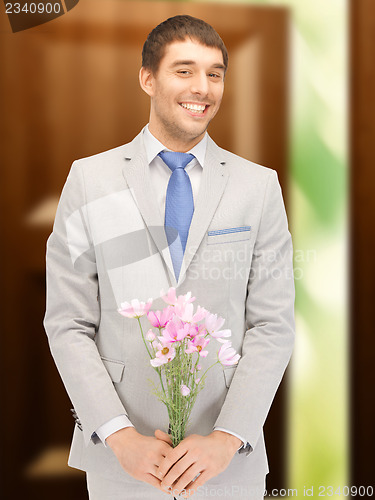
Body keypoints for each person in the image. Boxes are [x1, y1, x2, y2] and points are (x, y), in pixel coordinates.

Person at [44, 14, 295, 500]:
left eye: (215, 73)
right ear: (147, 78)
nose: (203, 87)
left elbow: (274, 323)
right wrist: (118, 435)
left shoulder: (258, 187)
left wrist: (227, 438)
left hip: (226, 463)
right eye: (184, 70)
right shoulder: (89, 179)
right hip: (123, 461)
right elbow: (68, 321)